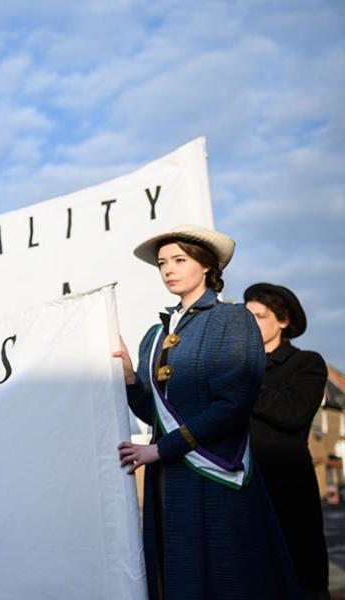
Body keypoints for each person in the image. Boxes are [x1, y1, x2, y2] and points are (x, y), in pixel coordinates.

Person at [113, 225, 301, 599]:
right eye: (163, 263)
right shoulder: (155, 333)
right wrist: (133, 380)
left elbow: (234, 405)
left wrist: (160, 450)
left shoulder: (231, 319)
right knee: (176, 579)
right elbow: (156, 415)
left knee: (225, 580)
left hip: (215, 472)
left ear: (206, 266)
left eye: (179, 260)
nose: (168, 269)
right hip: (169, 475)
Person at [245, 282, 329, 600]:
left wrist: (243, 382)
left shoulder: (306, 363)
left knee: (300, 578)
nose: (250, 323)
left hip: (286, 486)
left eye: (260, 315)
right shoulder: (237, 366)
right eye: (246, 316)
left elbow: (291, 413)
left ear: (283, 321)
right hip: (242, 483)